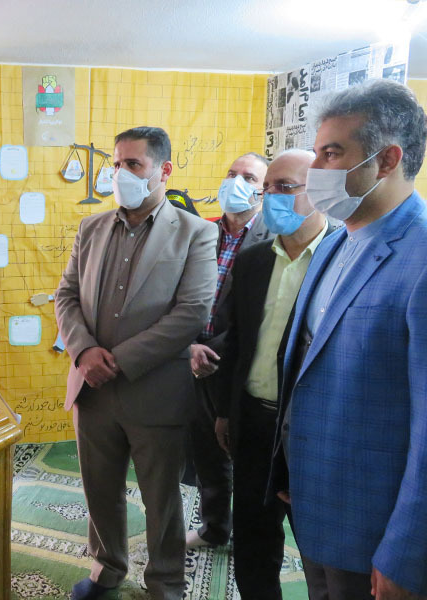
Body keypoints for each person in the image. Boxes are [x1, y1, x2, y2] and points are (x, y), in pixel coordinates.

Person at [271, 79, 427, 598]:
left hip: (375, 526)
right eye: (316, 153)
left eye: (331, 154)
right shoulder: (336, 243)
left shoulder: (421, 258)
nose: (314, 170)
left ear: (386, 161)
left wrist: (407, 551)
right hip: (314, 500)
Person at [55, 126, 217, 599]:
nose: (120, 173)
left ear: (163, 171)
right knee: (99, 489)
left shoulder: (195, 232)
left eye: (133, 164)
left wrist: (119, 360)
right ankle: (107, 569)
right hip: (92, 388)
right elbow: (66, 295)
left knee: (160, 499)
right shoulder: (91, 227)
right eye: (116, 163)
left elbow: (192, 312)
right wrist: (84, 352)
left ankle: (165, 582)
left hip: (155, 390)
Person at [212, 149, 338, 599]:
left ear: (320, 191)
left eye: (285, 187)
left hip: (311, 433)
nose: (271, 198)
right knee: (253, 545)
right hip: (253, 425)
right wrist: (226, 412)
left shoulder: (344, 259)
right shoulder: (252, 261)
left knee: (322, 556)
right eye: (267, 189)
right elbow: (236, 343)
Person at [186, 151, 270, 549]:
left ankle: (252, 541)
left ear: (265, 190)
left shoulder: (273, 239)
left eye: (249, 177)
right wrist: (188, 347)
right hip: (190, 360)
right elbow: (175, 295)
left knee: (246, 456)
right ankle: (214, 528)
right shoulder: (201, 232)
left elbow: (261, 314)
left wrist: (213, 351)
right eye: (232, 173)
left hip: (238, 367)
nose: (236, 182)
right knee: (206, 454)